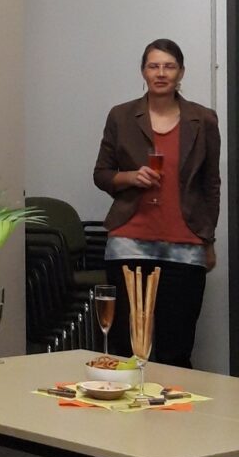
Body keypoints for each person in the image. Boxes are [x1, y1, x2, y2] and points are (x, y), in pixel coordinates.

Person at [93, 38, 220, 368]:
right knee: (125, 347)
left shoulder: (203, 119)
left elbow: (211, 184)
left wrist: (208, 239)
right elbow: (102, 174)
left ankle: (172, 419)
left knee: (176, 349)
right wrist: (131, 177)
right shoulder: (121, 116)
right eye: (154, 66)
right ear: (143, 72)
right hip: (128, 243)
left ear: (181, 73)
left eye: (169, 66)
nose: (161, 73)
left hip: (186, 245)